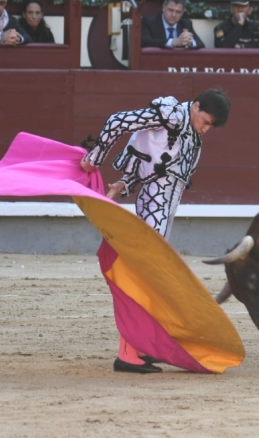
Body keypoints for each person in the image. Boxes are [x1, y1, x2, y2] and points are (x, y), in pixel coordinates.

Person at [80, 89, 231, 374]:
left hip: (164, 208)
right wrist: (94, 158)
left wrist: (124, 183)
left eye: (211, 126)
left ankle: (138, 346)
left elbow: (154, 162)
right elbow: (117, 121)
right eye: (206, 121)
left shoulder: (190, 131)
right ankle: (128, 352)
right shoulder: (171, 116)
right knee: (146, 276)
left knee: (149, 276)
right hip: (155, 205)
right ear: (195, 106)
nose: (206, 129)